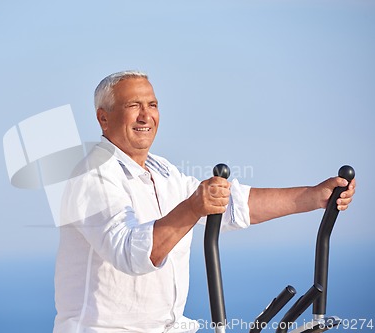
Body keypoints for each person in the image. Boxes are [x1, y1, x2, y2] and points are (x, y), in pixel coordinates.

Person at [52, 70, 356, 333]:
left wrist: (313, 196)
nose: (146, 115)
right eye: (134, 106)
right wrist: (193, 206)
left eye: (153, 105)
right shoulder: (92, 175)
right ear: (103, 118)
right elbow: (132, 253)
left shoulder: (163, 171)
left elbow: (232, 206)